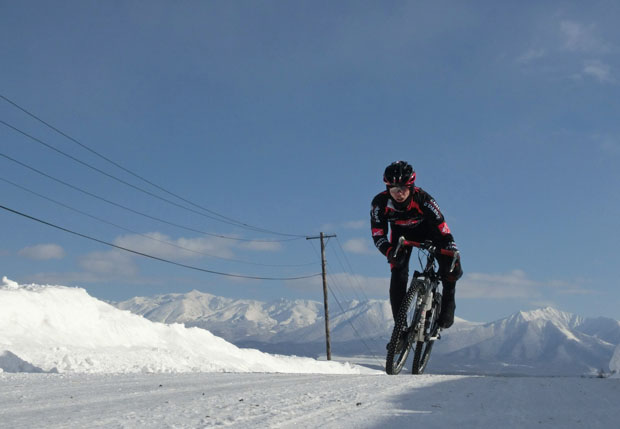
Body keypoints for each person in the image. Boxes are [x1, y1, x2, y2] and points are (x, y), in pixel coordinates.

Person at [370, 160, 463, 332]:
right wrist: (389, 251)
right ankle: (400, 329)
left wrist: (452, 250)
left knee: (451, 267)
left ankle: (449, 302)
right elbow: (378, 234)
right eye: (394, 189)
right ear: (387, 188)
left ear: (412, 186)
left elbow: (443, 230)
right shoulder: (380, 203)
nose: (399, 193)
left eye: (403, 188)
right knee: (397, 269)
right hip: (401, 236)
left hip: (430, 232)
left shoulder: (425, 200)